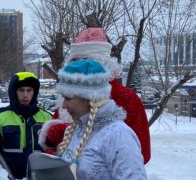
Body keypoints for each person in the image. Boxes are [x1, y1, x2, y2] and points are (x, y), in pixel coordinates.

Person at [39, 27, 151, 165]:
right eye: (75, 63)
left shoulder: (126, 98)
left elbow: (141, 154)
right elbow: (53, 148)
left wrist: (64, 132)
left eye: (85, 63)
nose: (79, 69)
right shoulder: (67, 98)